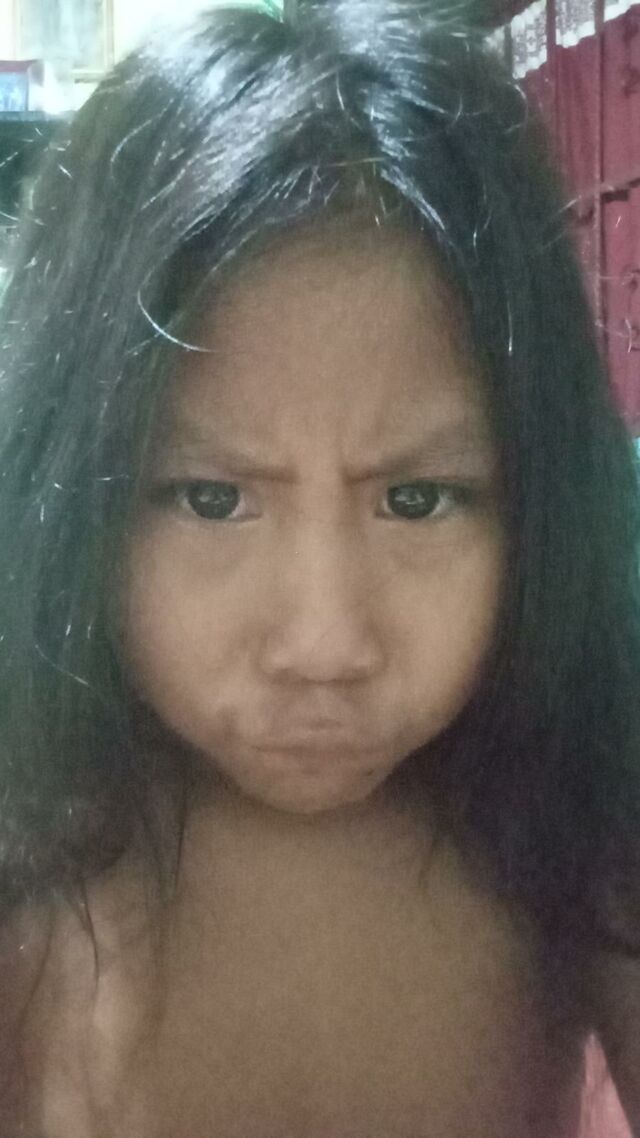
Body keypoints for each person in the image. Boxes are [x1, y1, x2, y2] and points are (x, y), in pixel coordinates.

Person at [0, 0, 639, 1134]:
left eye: (416, 499)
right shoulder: (30, 845)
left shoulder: (575, 812)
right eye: (212, 499)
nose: (325, 644)